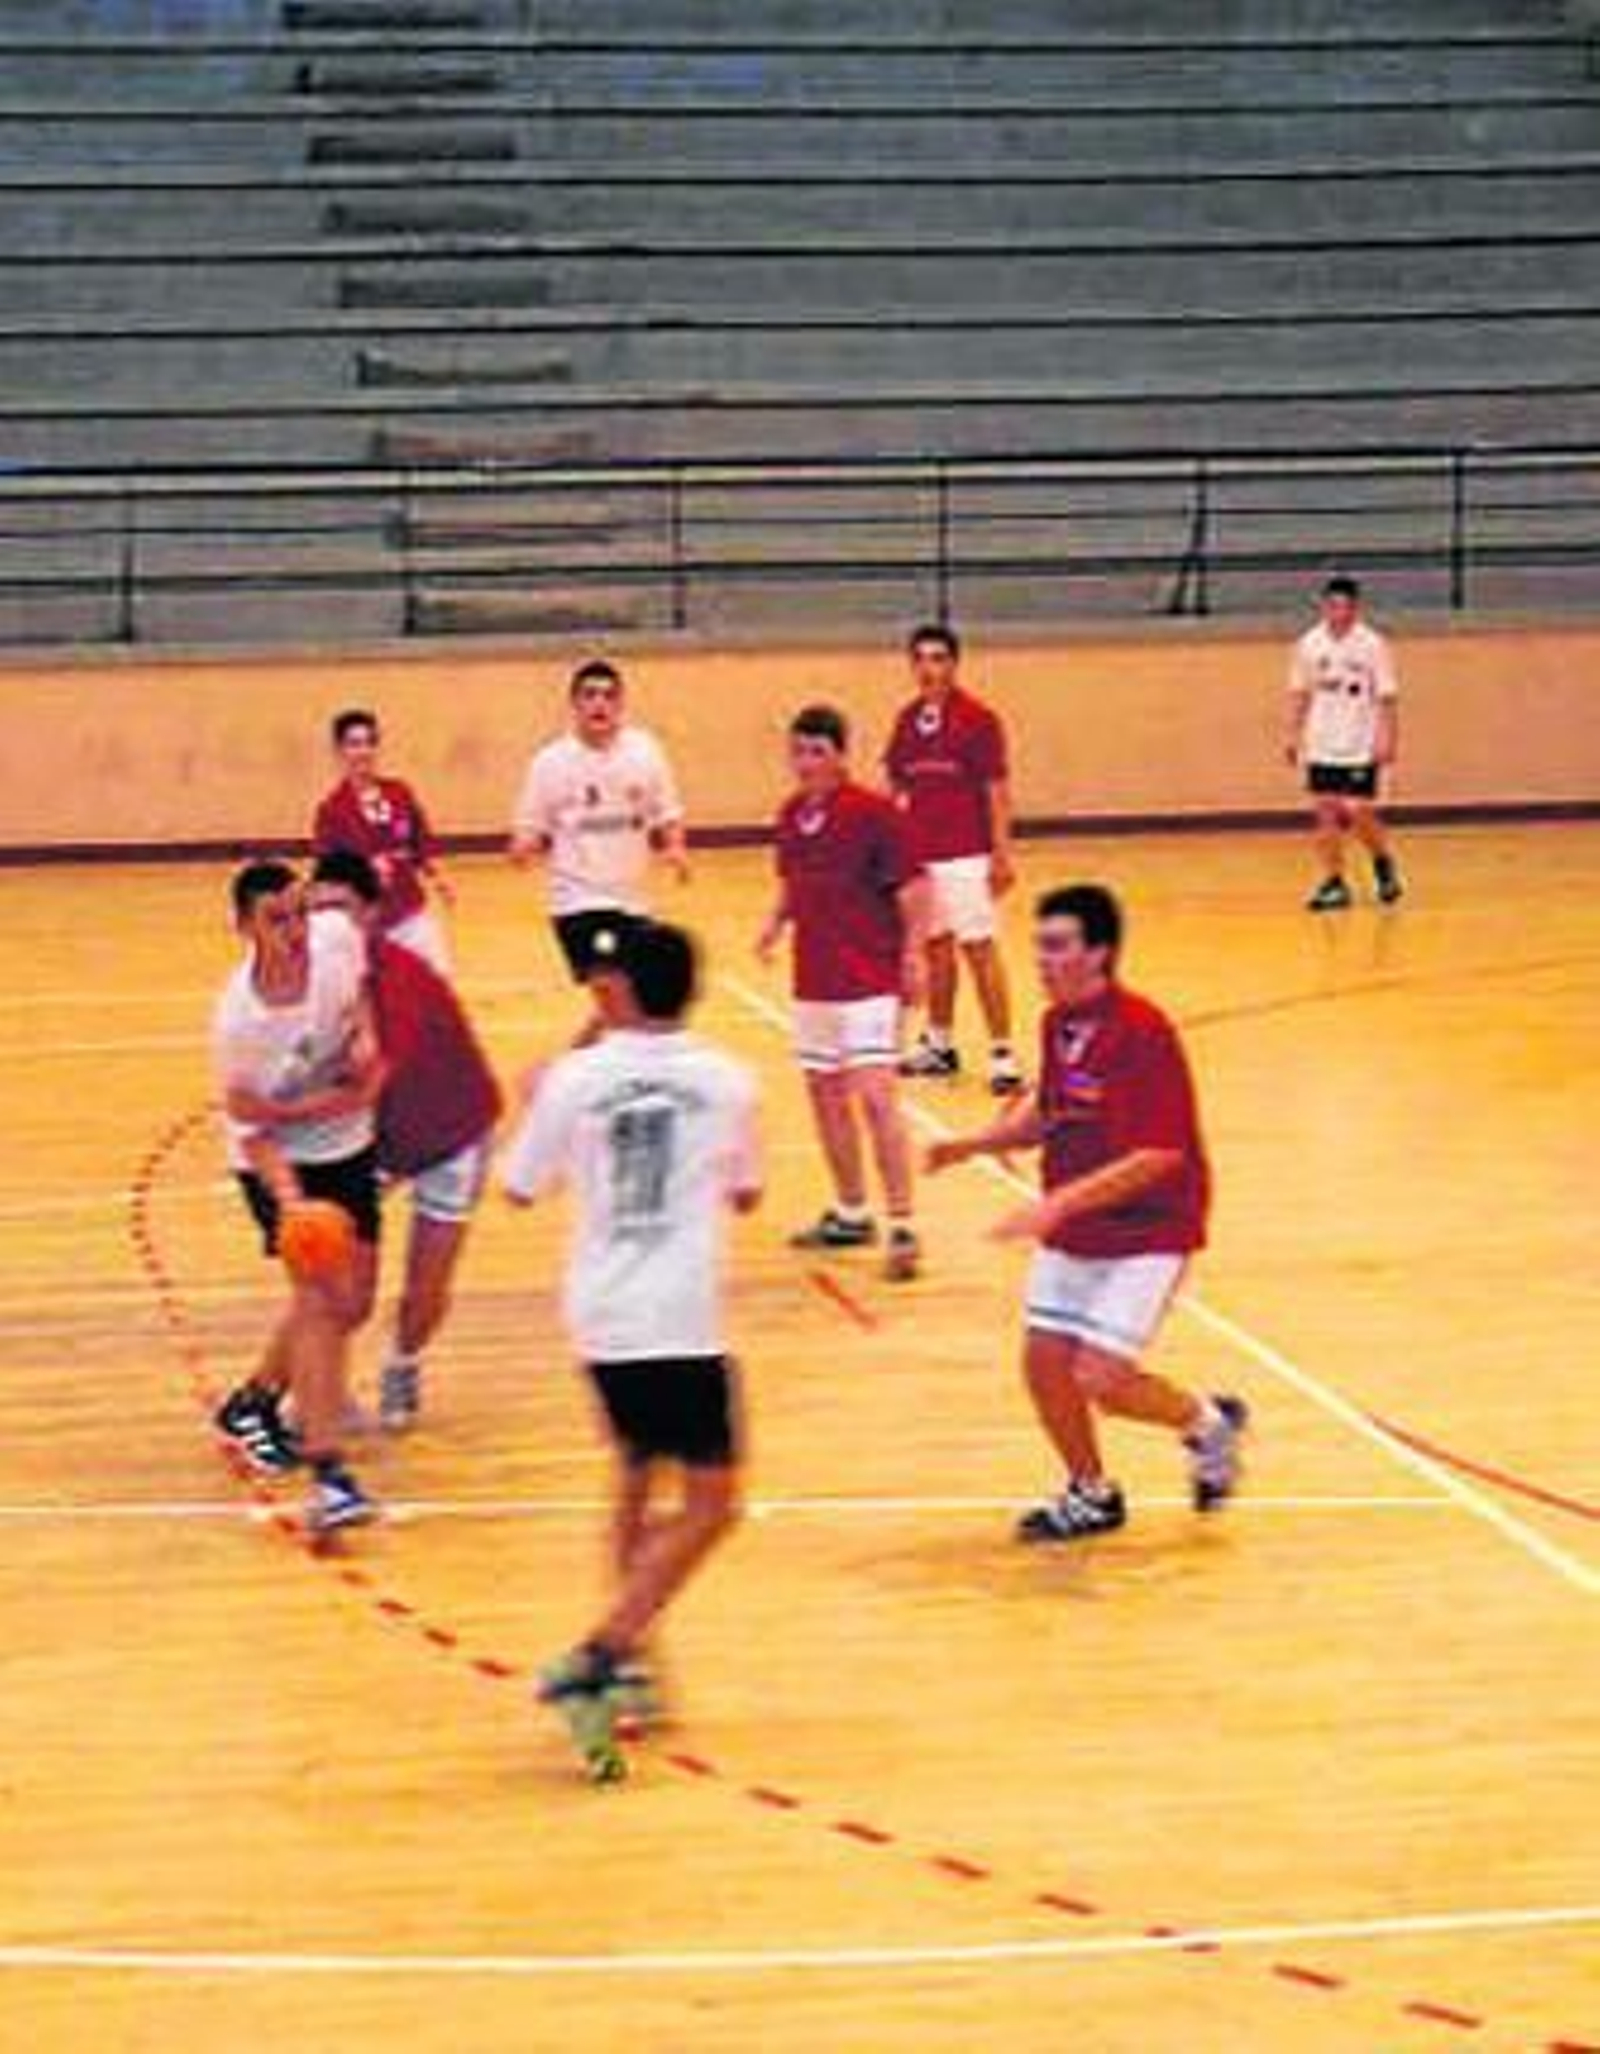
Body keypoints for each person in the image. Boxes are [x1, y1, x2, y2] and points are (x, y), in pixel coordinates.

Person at [500, 921, 761, 1783]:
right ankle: (603, 1654)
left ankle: (639, 1671)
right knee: (715, 1503)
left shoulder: (576, 1079)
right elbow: (749, 1193)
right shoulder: (729, 1081)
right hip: (681, 1318)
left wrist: (537, 1099)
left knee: (637, 1475)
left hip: (602, 1318)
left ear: (620, 990)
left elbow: (519, 1188)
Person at [926, 883, 1247, 1541]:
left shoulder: (1143, 1031)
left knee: (1101, 1378)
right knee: (1043, 1363)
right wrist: (974, 1144)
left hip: (1149, 1229)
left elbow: (1160, 1154)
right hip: (1077, 1226)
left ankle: (1207, 1425)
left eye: (1057, 947)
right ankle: (1091, 1491)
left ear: (1098, 953)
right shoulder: (1058, 1024)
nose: (1041, 961)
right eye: (1038, 947)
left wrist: (1056, 1204)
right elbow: (1053, 1108)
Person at [211, 859, 385, 1536]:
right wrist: (292, 1205)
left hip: (347, 1144)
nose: (295, 930)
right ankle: (330, 1474)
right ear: (245, 928)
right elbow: (251, 1128)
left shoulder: (337, 938)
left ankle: (251, 1402)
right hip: (277, 1162)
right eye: (276, 919)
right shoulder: (240, 1022)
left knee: (353, 1304)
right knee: (318, 1295)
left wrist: (366, 1038)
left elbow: (360, 994)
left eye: (298, 912)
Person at [308, 851, 504, 1434]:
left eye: (340, 910)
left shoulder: (399, 981)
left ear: (371, 915)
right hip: (375, 1139)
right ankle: (319, 1390)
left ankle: (403, 1361)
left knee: (425, 1291)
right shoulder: (308, 978)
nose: (326, 926)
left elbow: (370, 1078)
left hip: (450, 1133)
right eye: (315, 911)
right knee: (334, 1284)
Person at [757, 702, 930, 1283]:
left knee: (877, 1097)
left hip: (868, 980)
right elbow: (792, 882)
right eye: (799, 751)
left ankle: (903, 1223)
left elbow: (914, 886)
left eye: (818, 752)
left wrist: (913, 956)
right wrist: (773, 924)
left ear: (840, 755)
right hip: (814, 981)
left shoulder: (874, 815)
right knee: (824, 1095)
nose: (806, 763)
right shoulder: (789, 815)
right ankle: (852, 1210)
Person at [885, 622, 1024, 1094]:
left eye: (939, 659)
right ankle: (940, 1045)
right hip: (922, 858)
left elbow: (997, 791)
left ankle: (1003, 1052)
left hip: (966, 855)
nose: (929, 669)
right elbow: (896, 787)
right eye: (921, 659)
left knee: (979, 949)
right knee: (936, 950)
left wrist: (1002, 855)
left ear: (954, 664)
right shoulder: (907, 721)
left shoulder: (979, 720)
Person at [508, 659, 689, 997]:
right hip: (578, 902)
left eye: (608, 696)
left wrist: (676, 848)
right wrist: (523, 847)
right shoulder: (551, 762)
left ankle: (585, 1051)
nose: (599, 704)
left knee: (628, 999)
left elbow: (668, 811)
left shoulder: (645, 751)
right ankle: (593, 1050)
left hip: (634, 901)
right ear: (574, 704)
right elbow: (529, 825)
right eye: (589, 695)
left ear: (621, 704)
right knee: (615, 990)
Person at [1285, 574, 1404, 912]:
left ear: (1356, 608)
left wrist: (1388, 737)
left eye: (1347, 606)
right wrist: (1293, 734)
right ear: (1324, 607)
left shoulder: (1372, 645)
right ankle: (1334, 882)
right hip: (1321, 741)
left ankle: (1382, 861)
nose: (1341, 612)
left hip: (1359, 742)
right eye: (1334, 605)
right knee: (1325, 812)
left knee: (1357, 810)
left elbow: (1387, 696)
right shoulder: (1309, 644)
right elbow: (1299, 692)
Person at [311, 708, 454, 973]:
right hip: (367, 925)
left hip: (411, 913)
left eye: (369, 742)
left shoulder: (399, 793)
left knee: (438, 982)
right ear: (339, 751)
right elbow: (327, 876)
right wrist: (364, 872)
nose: (363, 751)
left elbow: (420, 842)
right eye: (354, 744)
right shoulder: (331, 810)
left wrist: (438, 877)